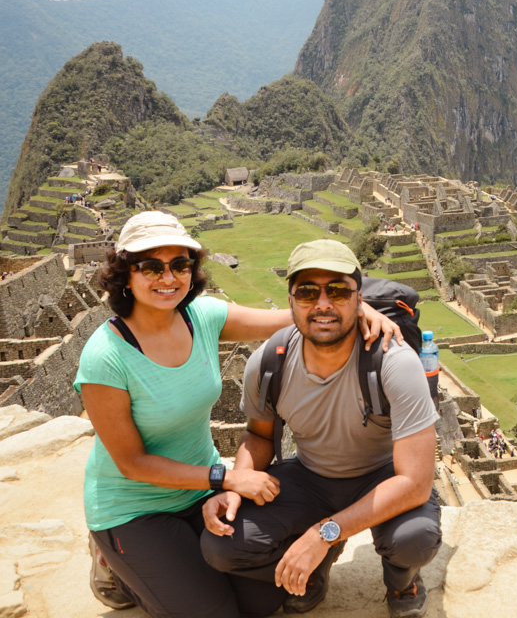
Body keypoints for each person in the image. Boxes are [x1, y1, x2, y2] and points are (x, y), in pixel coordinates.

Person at [74, 212, 400, 618]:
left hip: (200, 494)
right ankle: (118, 564)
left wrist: (359, 309)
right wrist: (227, 477)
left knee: (263, 602)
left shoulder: (203, 318)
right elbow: (132, 462)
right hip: (136, 506)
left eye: (180, 265)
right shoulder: (106, 357)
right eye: (152, 267)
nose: (168, 277)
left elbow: (298, 317)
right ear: (125, 274)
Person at [201, 239, 441, 617]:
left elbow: (415, 482)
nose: (323, 304)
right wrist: (238, 480)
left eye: (339, 291)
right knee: (223, 546)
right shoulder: (268, 363)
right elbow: (259, 435)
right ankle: (314, 567)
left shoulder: (394, 362)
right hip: (311, 476)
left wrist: (323, 531)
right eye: (308, 292)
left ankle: (402, 582)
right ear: (292, 299)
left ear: (358, 298)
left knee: (415, 540)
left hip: (384, 476)